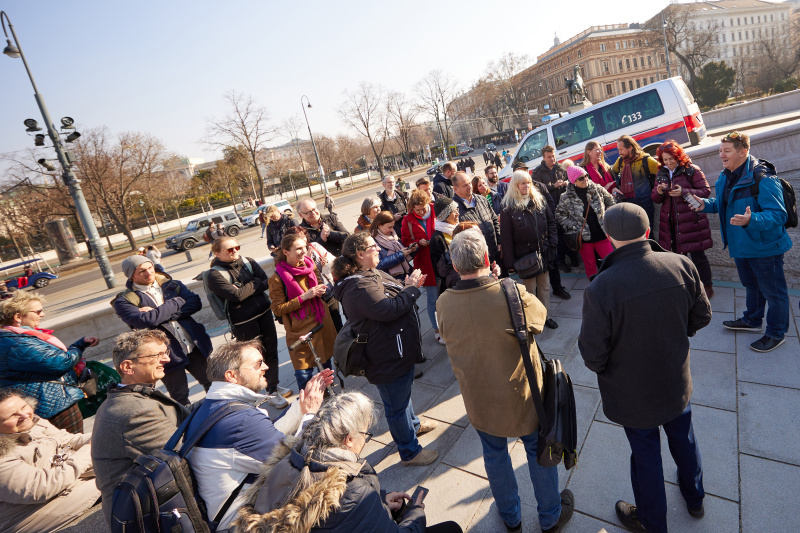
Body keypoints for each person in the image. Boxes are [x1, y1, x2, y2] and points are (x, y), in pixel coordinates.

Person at [578, 203, 711, 533]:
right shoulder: (679, 264)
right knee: (685, 440)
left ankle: (653, 522)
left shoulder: (600, 287)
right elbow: (702, 316)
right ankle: (695, 499)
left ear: (609, 239)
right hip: (676, 381)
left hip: (632, 394)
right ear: (648, 231)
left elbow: (593, 355)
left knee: (646, 456)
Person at [437, 229, 574, 533]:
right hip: (521, 394)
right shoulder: (510, 291)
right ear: (487, 257)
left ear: (456, 267)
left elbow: (448, 336)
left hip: (477, 396)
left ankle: (511, 517)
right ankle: (550, 515)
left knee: (494, 454)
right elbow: (539, 320)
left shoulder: (444, 302)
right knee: (537, 450)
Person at [234, 391, 463, 533]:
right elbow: (348, 507)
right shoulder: (353, 492)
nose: (365, 440)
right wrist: (416, 513)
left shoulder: (290, 463)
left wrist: (381, 502)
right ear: (349, 439)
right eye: (365, 434)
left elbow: (332, 515)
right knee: (451, 529)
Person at [185, 341, 332, 532]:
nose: (266, 367)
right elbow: (295, 462)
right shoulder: (241, 420)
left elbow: (267, 437)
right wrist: (310, 414)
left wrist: (300, 409)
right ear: (231, 375)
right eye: (258, 364)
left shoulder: (212, 404)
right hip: (243, 524)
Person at [332, 234, 438, 466]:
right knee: (396, 407)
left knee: (403, 395)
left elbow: (392, 295)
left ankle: (414, 427)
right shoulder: (359, 285)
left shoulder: (369, 273)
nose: (379, 249)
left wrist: (409, 285)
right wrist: (410, 289)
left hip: (395, 350)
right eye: (374, 247)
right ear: (360, 254)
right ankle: (410, 452)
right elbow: (389, 310)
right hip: (385, 356)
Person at [691, 131, 792, 352]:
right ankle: (753, 320)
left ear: (743, 152)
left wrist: (752, 219)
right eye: (720, 150)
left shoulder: (763, 179)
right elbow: (723, 204)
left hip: (764, 248)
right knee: (751, 285)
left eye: (726, 151)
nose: (721, 155)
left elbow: (779, 215)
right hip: (741, 245)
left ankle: (776, 333)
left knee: (774, 292)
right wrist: (705, 205)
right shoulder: (726, 175)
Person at [92, 330, 189, 525]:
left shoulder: (132, 396)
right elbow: (185, 451)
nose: (167, 360)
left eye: (165, 353)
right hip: (145, 517)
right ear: (128, 366)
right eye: (157, 355)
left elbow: (181, 416)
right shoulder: (134, 410)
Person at [113, 255, 212, 406]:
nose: (149, 273)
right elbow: (147, 321)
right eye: (142, 271)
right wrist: (176, 301)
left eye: (150, 268)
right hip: (165, 355)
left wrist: (158, 313)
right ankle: (188, 427)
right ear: (131, 276)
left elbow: (195, 303)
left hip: (194, 346)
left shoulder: (172, 285)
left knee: (212, 383)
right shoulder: (124, 300)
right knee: (179, 397)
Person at [206, 236, 290, 408]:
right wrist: (254, 283)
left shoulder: (248, 261)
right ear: (217, 253)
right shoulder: (214, 274)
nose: (235, 251)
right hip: (243, 322)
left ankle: (272, 388)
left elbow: (265, 281)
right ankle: (256, 393)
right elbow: (236, 296)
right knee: (250, 360)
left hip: (264, 313)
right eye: (229, 249)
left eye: (237, 247)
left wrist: (247, 287)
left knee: (271, 353)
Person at [0, 389, 100, 533]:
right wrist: (88, 452)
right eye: (12, 415)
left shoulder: (32, 421)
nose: (23, 415)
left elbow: (68, 440)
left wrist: (103, 434)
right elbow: (41, 487)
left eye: (23, 407)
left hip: (64, 482)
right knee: (117, 479)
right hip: (29, 515)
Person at [0, 291, 98, 433]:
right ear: (18, 317)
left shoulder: (14, 338)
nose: (42, 314)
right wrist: (78, 347)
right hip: (53, 405)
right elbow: (61, 362)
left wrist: (81, 343)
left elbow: (50, 358)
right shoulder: (18, 343)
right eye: (38, 311)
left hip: (45, 402)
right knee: (72, 446)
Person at [269, 233, 336, 392]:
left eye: (305, 247)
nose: (304, 251)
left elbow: (318, 285)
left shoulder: (310, 265)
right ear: (286, 252)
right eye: (298, 248)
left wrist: (321, 290)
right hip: (300, 329)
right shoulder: (277, 278)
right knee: (303, 373)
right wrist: (304, 297)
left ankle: (328, 398)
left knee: (326, 366)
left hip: (321, 321)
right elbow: (277, 309)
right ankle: (309, 408)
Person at [651, 140, 715, 298]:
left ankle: (707, 286)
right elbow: (655, 198)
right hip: (671, 222)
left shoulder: (691, 170)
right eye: (665, 160)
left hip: (692, 220)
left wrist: (684, 191)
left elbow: (705, 191)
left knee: (699, 256)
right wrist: (659, 192)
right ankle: (687, 286)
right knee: (679, 257)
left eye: (671, 159)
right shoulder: (661, 173)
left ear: (678, 156)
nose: (668, 162)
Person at [500, 170, 559, 329]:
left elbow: (551, 222)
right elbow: (506, 237)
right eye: (523, 183)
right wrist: (510, 261)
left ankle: (546, 316)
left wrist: (553, 242)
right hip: (525, 257)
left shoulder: (539, 200)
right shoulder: (508, 207)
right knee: (529, 290)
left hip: (544, 252)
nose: (526, 186)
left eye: (528, 182)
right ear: (515, 186)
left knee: (545, 286)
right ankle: (534, 319)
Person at [555, 163, 616, 279]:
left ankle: (613, 285)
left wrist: (608, 218)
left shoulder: (596, 188)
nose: (585, 179)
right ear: (574, 181)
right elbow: (559, 215)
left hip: (602, 235)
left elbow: (611, 201)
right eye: (581, 178)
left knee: (611, 262)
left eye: (586, 176)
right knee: (590, 266)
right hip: (584, 239)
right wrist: (574, 226)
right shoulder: (566, 197)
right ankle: (594, 290)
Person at [401, 190, 442, 345]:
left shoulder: (436, 210)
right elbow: (405, 241)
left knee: (446, 292)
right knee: (432, 298)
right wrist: (418, 243)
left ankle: (450, 324)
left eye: (423, 209)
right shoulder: (408, 220)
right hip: (424, 262)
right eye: (417, 210)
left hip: (441, 258)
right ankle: (437, 329)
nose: (421, 212)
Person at [531, 145, 580, 272]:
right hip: (550, 209)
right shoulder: (538, 172)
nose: (552, 159)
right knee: (556, 236)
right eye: (549, 157)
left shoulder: (562, 168)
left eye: (553, 156)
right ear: (544, 157)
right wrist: (553, 186)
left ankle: (573, 256)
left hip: (565, 207)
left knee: (569, 231)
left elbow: (572, 182)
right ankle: (561, 261)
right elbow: (536, 190)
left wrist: (566, 184)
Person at [285, 226, 344, 332]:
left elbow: (334, 261)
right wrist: (306, 261)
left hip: (328, 291)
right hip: (312, 299)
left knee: (337, 323)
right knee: (324, 329)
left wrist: (326, 261)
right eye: (297, 237)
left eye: (303, 236)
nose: (302, 240)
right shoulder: (292, 258)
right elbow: (297, 278)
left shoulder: (314, 246)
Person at [452, 171, 502, 271]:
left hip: (496, 255)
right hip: (477, 262)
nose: (469, 187)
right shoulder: (454, 209)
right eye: (465, 185)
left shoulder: (482, 200)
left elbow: (494, 220)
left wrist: (499, 242)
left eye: (470, 183)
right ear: (455, 188)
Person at [611, 135, 660, 225]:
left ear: (630, 147)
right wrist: (618, 183)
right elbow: (613, 171)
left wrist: (657, 189)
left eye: (621, 149)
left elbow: (661, 171)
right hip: (628, 204)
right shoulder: (621, 160)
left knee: (648, 230)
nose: (619, 152)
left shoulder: (645, 160)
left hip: (645, 203)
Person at [371, 210, 414, 281]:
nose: (392, 230)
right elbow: (378, 265)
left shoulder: (393, 236)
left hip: (405, 276)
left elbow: (405, 254)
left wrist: (412, 250)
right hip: (391, 279)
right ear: (379, 225)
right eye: (389, 227)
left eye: (393, 227)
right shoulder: (373, 241)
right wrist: (400, 255)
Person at [430, 196, 460, 294]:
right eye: (454, 212)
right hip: (453, 285)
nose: (458, 214)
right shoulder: (437, 238)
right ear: (445, 216)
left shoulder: (460, 228)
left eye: (457, 210)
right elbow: (439, 270)